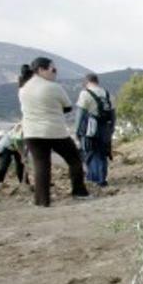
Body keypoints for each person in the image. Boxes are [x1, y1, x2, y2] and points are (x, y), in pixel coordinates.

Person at [18, 57, 90, 207]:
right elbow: (68, 106)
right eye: (53, 69)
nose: (55, 73)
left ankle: (42, 201)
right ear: (41, 70)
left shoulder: (23, 88)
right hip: (54, 131)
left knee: (41, 166)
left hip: (31, 132)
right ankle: (79, 192)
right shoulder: (53, 87)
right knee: (74, 159)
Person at [74, 73, 115, 187]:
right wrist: (111, 129)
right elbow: (113, 114)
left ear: (86, 82)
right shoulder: (108, 94)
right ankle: (102, 178)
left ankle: (95, 179)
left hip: (90, 128)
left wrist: (77, 131)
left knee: (91, 152)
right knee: (103, 153)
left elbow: (80, 113)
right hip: (105, 127)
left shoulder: (85, 94)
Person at [0, 123, 27, 194]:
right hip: (7, 146)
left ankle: (24, 182)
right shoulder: (21, 127)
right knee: (4, 165)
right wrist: (23, 155)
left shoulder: (31, 131)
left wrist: (24, 155)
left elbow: (26, 144)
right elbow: (17, 141)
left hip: (16, 147)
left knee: (20, 165)